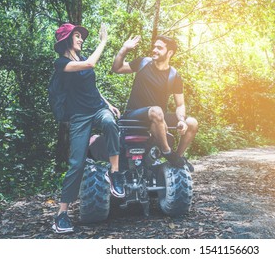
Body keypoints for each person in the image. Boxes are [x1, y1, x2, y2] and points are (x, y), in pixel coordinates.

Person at [52, 23, 125, 234]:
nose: (81, 39)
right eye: (77, 36)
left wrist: (108, 103)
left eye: (81, 36)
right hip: (79, 117)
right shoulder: (62, 63)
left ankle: (115, 174)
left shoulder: (81, 60)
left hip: (97, 108)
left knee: (110, 122)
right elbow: (91, 65)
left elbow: (91, 87)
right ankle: (61, 214)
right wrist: (103, 41)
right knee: (76, 164)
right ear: (67, 40)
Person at [111, 35, 198, 170]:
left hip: (158, 118)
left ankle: (176, 160)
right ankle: (167, 151)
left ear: (169, 53)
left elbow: (180, 104)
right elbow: (117, 68)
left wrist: (181, 120)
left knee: (192, 123)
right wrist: (124, 49)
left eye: (159, 48)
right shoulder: (143, 63)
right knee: (157, 111)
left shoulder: (174, 75)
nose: (154, 50)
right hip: (134, 115)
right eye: (154, 47)